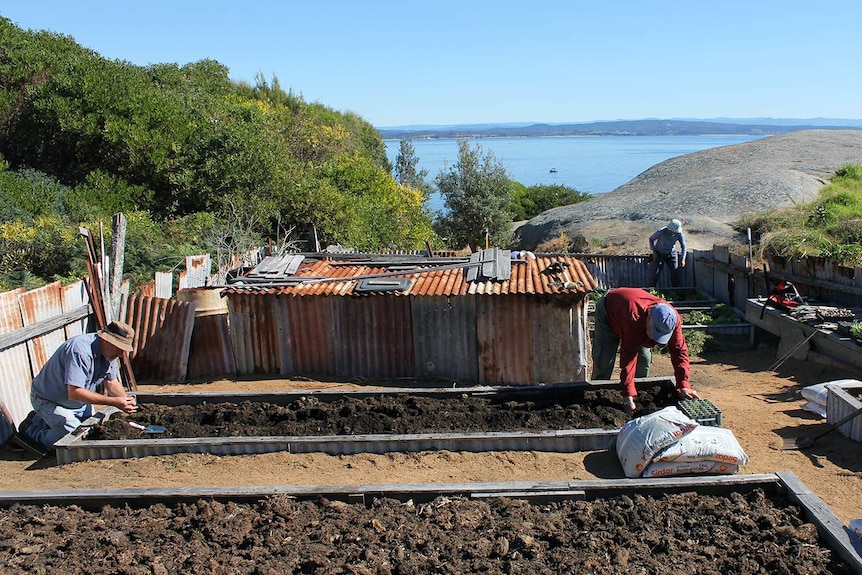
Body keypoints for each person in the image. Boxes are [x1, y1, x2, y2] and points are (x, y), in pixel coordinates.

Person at [15, 321, 139, 455]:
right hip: (49, 400)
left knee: (93, 430)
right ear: (106, 340)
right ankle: (32, 432)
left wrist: (125, 401)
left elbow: (111, 382)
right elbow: (74, 392)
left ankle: (40, 420)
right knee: (76, 440)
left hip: (77, 403)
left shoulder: (108, 354)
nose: (121, 353)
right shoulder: (79, 351)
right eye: (119, 348)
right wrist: (114, 402)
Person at [591, 287, 700, 413]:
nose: (657, 338)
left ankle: (638, 393)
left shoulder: (672, 319)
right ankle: (596, 396)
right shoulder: (634, 316)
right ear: (649, 318)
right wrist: (627, 395)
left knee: (644, 360)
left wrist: (683, 384)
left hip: (636, 324)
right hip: (609, 312)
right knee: (604, 361)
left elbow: (679, 352)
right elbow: (628, 358)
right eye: (656, 332)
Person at [649, 219, 687, 287]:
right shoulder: (661, 231)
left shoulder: (679, 234)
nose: (675, 233)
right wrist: (654, 252)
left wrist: (683, 258)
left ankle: (675, 291)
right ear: (670, 229)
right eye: (674, 231)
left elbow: (684, 246)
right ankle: (652, 290)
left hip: (671, 253)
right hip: (659, 253)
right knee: (655, 273)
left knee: (675, 272)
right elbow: (651, 239)